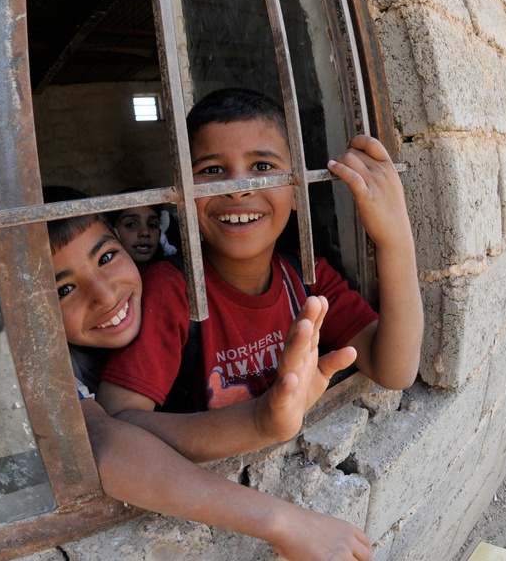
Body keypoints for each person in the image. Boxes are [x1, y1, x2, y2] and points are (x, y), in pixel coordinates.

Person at [98, 88, 422, 460]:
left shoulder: (308, 277)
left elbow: (395, 370)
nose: (238, 189)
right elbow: (113, 423)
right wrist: (258, 422)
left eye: (262, 168)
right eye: (212, 170)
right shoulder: (171, 289)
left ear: (297, 189)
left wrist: (394, 240)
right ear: (182, 193)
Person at [46, 198, 372, 560]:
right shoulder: (53, 371)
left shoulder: (168, 293)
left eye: (106, 258)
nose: (104, 295)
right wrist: (282, 521)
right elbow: (105, 444)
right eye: (63, 290)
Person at [108, 202, 166, 272]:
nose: (145, 232)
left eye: (152, 225)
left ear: (159, 234)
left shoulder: (170, 275)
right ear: (113, 232)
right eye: (131, 224)